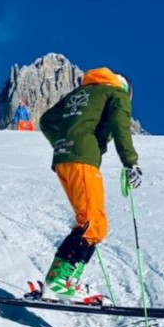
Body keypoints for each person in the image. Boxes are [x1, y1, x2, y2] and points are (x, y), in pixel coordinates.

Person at [38, 67, 142, 300]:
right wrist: (130, 163)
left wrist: (65, 142)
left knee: (90, 222)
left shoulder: (78, 93)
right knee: (93, 224)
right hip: (82, 160)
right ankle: (58, 282)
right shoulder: (116, 94)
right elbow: (121, 126)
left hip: (63, 159)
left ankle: (61, 280)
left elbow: (46, 121)